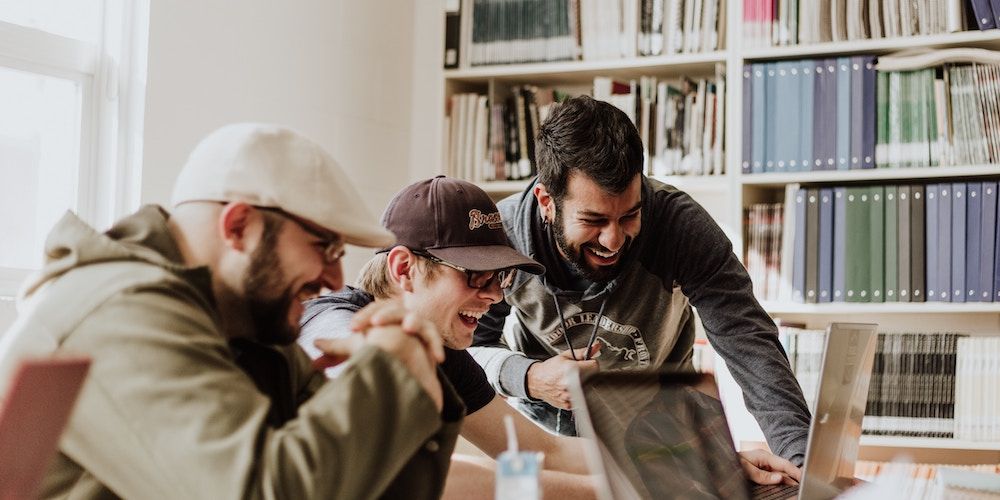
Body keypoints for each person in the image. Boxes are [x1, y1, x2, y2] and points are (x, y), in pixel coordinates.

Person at [0, 123, 462, 498]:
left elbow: (365, 486)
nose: (336, 280)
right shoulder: (121, 312)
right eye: (324, 246)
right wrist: (385, 371)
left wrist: (416, 374)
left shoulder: (247, 325)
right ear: (239, 226)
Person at [299, 176, 792, 498]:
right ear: (405, 268)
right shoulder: (334, 324)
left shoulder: (444, 350)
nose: (494, 296)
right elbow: (428, 477)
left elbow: (541, 450)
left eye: (500, 278)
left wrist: (704, 463)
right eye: (475, 276)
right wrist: (630, 490)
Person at [468, 95, 810, 478]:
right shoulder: (503, 236)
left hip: (662, 432)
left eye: (629, 215)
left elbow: (748, 340)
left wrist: (803, 466)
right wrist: (528, 377)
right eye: (593, 220)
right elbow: (469, 350)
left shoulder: (680, 226)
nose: (613, 240)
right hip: (546, 440)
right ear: (546, 201)